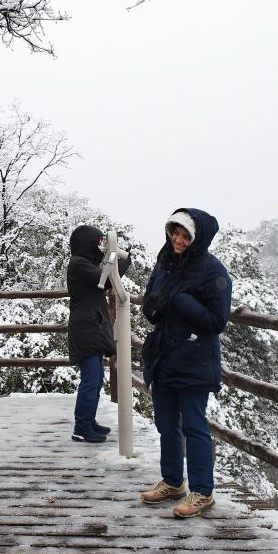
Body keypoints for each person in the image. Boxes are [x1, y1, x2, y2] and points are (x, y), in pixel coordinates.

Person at [139, 208, 232, 519]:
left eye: (185, 236)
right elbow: (151, 302)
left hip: (195, 358)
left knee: (194, 425)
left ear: (197, 238)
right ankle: (173, 482)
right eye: (175, 233)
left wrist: (181, 300)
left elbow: (217, 321)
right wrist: (153, 303)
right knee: (166, 424)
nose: (178, 240)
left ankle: (203, 492)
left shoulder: (213, 271)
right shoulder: (165, 261)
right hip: (164, 354)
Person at [66, 225, 131, 443]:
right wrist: (123, 260)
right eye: (98, 242)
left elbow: (105, 276)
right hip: (85, 330)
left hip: (91, 328)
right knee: (90, 379)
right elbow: (107, 279)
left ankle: (88, 421)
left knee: (96, 379)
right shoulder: (78, 264)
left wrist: (117, 259)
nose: (100, 246)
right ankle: (81, 426)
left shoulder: (85, 264)